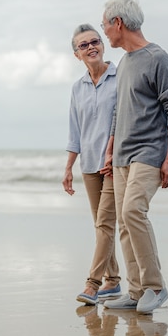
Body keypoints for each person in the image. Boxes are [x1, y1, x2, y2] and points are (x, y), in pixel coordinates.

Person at [98, 0, 168, 314]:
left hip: (149, 153)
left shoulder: (157, 57)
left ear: (118, 22)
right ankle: (135, 292)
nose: (105, 32)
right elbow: (118, 111)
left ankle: (155, 287)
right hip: (121, 155)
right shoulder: (123, 65)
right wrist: (109, 150)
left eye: (106, 25)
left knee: (134, 211)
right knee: (123, 221)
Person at [63, 23, 122, 306]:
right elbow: (75, 130)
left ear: (103, 45)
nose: (91, 47)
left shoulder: (120, 77)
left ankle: (93, 284)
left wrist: (117, 153)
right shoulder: (78, 88)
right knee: (101, 225)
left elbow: (125, 120)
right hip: (88, 164)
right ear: (77, 55)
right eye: (83, 45)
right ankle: (113, 280)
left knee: (105, 224)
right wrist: (68, 168)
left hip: (114, 163)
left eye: (94, 41)